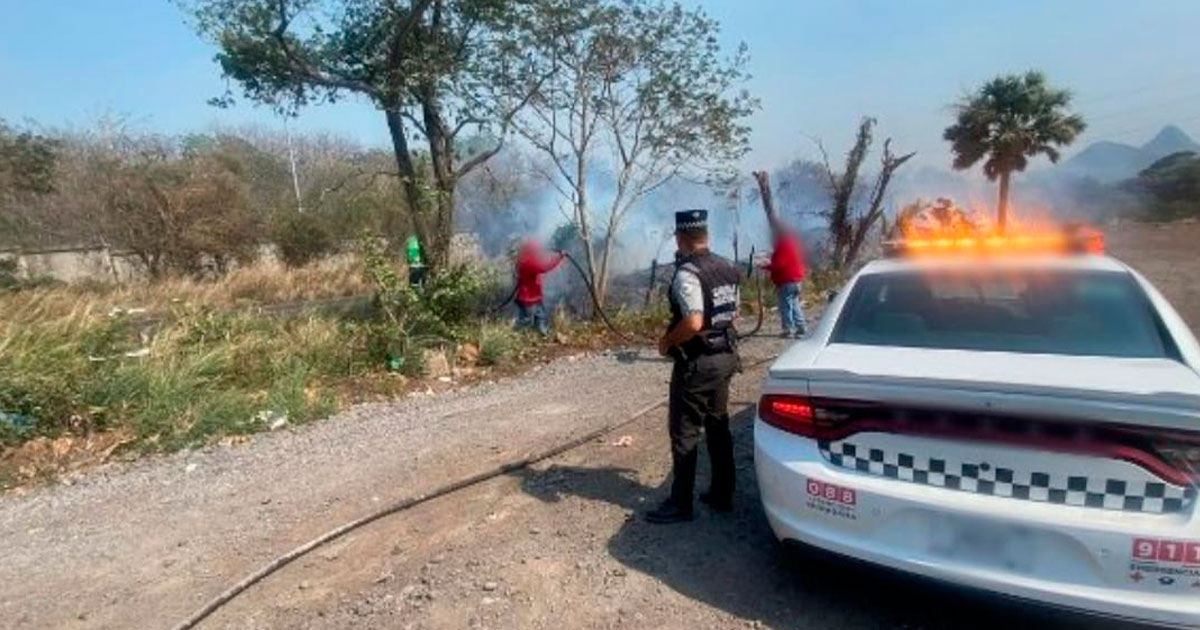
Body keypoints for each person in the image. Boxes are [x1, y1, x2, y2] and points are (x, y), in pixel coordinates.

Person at [647, 209, 741, 524]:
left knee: (684, 432)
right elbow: (733, 315)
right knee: (717, 426)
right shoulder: (728, 266)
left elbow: (694, 321)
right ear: (706, 236)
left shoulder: (688, 273)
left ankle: (680, 504)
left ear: (681, 238)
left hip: (698, 363)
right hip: (726, 356)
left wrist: (667, 342)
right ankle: (722, 493)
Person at [761, 221, 807, 338]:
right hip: (796, 280)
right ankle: (801, 327)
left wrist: (766, 266)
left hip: (787, 281)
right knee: (794, 304)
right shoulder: (793, 244)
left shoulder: (783, 246)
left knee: (785, 306)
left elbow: (779, 264)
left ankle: (788, 329)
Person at [514, 239, 565, 336]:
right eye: (537, 250)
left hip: (529, 297)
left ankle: (542, 333)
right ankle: (522, 336)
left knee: (540, 316)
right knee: (526, 321)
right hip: (529, 298)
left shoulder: (523, 259)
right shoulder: (530, 262)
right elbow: (545, 267)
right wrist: (559, 257)